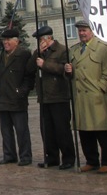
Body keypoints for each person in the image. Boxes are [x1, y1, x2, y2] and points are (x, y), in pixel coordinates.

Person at [64, 20, 107, 174]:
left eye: (84, 30)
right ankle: (91, 161)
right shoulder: (74, 50)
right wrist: (68, 71)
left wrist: (101, 87)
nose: (81, 33)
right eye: (79, 31)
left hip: (95, 95)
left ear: (92, 31)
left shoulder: (102, 48)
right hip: (80, 96)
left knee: (101, 130)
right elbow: (71, 75)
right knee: (84, 131)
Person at [31, 26, 75, 170]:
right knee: (47, 130)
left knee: (62, 130)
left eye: (40, 40)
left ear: (48, 38)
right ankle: (52, 157)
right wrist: (38, 55)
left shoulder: (62, 50)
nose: (39, 43)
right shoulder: (38, 53)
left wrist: (45, 64)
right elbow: (31, 68)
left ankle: (68, 158)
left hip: (59, 95)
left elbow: (64, 70)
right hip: (44, 97)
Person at [0, 28, 34, 166]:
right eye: (4, 40)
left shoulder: (24, 55)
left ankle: (25, 156)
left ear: (16, 41)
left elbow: (29, 77)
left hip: (17, 99)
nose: (5, 43)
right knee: (6, 130)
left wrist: (21, 92)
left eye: (8, 40)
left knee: (21, 130)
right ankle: (9, 155)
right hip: (3, 98)